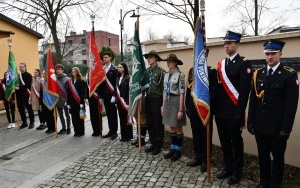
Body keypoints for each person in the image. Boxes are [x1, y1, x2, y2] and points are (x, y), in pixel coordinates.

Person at [247, 39, 299, 188]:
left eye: (273, 54)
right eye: (267, 54)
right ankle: (264, 181)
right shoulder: (259, 74)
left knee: (277, 158)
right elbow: (253, 99)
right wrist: (251, 121)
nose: (270, 57)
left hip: (277, 127)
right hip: (260, 125)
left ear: (280, 54)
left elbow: (291, 105)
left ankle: (275, 184)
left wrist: (286, 129)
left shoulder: (289, 75)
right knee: (263, 157)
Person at [215, 31, 252, 185]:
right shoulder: (221, 64)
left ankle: (237, 170)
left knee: (236, 141)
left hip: (234, 111)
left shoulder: (244, 63)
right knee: (224, 141)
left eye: (230, 43)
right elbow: (218, 89)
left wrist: (239, 113)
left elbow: (244, 92)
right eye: (225, 43)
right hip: (221, 111)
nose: (226, 45)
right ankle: (228, 166)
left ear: (237, 44)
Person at [185, 63, 218, 172]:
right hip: (193, 109)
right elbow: (188, 90)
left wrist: (209, 107)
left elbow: (214, 91)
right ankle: (198, 157)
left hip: (204, 109)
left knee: (205, 136)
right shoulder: (191, 70)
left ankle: (206, 160)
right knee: (196, 135)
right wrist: (187, 106)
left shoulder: (211, 71)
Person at [161, 54, 186, 161]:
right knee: (171, 126)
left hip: (176, 101)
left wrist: (181, 109)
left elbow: (182, 93)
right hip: (167, 101)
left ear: (175, 63)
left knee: (177, 126)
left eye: (170, 61)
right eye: (167, 61)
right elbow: (164, 91)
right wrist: (162, 105)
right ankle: (173, 148)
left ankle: (178, 151)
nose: (168, 63)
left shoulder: (181, 75)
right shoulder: (166, 75)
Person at [143, 50, 165, 155]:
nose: (148, 59)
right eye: (148, 57)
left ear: (156, 58)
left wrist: (163, 103)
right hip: (148, 98)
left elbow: (163, 88)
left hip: (157, 98)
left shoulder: (161, 72)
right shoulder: (146, 72)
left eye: (151, 57)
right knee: (150, 122)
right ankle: (153, 143)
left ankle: (158, 144)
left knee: (157, 122)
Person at [98, 51, 118, 140]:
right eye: (103, 57)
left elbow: (116, 84)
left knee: (113, 113)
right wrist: (101, 97)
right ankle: (110, 130)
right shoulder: (102, 69)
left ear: (110, 58)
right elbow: (100, 84)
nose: (104, 59)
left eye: (106, 57)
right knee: (108, 114)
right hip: (105, 95)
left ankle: (114, 132)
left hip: (111, 95)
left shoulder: (114, 69)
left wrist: (114, 95)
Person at [66, 67, 86, 137]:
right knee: (74, 118)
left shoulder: (81, 81)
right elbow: (68, 93)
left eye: (74, 72)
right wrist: (68, 103)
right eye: (72, 72)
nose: (73, 73)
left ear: (77, 72)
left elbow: (82, 93)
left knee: (80, 118)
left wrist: (81, 102)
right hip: (72, 103)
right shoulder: (69, 82)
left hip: (79, 102)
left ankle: (81, 132)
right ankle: (76, 131)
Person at [116, 63, 133, 142]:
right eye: (118, 67)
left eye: (121, 67)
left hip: (125, 101)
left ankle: (128, 136)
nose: (119, 68)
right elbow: (116, 91)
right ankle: (123, 135)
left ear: (124, 68)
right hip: (120, 102)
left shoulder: (128, 78)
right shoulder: (117, 78)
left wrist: (128, 103)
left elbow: (129, 91)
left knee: (127, 118)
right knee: (121, 119)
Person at [16, 62, 35, 129]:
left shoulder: (28, 75)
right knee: (21, 110)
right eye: (20, 67)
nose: (21, 68)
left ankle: (32, 122)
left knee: (29, 109)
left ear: (25, 67)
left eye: (22, 67)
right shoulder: (18, 76)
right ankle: (24, 123)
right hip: (19, 96)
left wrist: (20, 88)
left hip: (26, 95)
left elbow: (28, 84)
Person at [55, 64, 71, 135]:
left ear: (62, 70)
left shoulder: (67, 79)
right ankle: (63, 128)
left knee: (67, 115)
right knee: (61, 115)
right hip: (58, 100)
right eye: (57, 69)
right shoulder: (55, 79)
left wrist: (67, 100)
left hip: (65, 99)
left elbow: (69, 91)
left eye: (59, 69)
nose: (58, 71)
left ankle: (68, 128)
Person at [85, 71, 101, 137]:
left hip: (96, 96)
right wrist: (86, 97)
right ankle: (94, 130)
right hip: (90, 97)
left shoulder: (97, 73)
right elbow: (87, 86)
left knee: (97, 114)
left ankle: (99, 130)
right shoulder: (88, 74)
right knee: (92, 114)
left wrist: (100, 97)